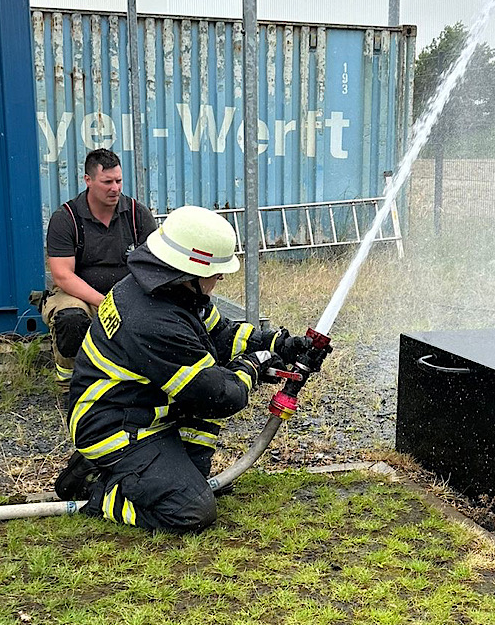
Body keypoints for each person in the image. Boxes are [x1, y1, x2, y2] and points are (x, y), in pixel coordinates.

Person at [53, 205, 313, 532]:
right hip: (111, 426)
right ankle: (97, 490)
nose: (220, 277)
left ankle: (160, 474)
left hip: (139, 408)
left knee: (192, 479)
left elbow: (218, 334)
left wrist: (276, 344)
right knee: (191, 511)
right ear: (190, 269)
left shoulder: (167, 290)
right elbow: (218, 396)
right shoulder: (154, 319)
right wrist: (254, 367)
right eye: (216, 271)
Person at [40, 148, 157, 390]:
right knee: (70, 319)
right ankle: (70, 381)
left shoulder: (137, 215)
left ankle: (139, 377)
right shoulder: (66, 218)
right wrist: (104, 303)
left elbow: (155, 266)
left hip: (129, 293)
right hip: (79, 295)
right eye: (107, 182)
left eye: (119, 181)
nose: (115, 188)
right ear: (88, 180)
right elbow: (62, 275)